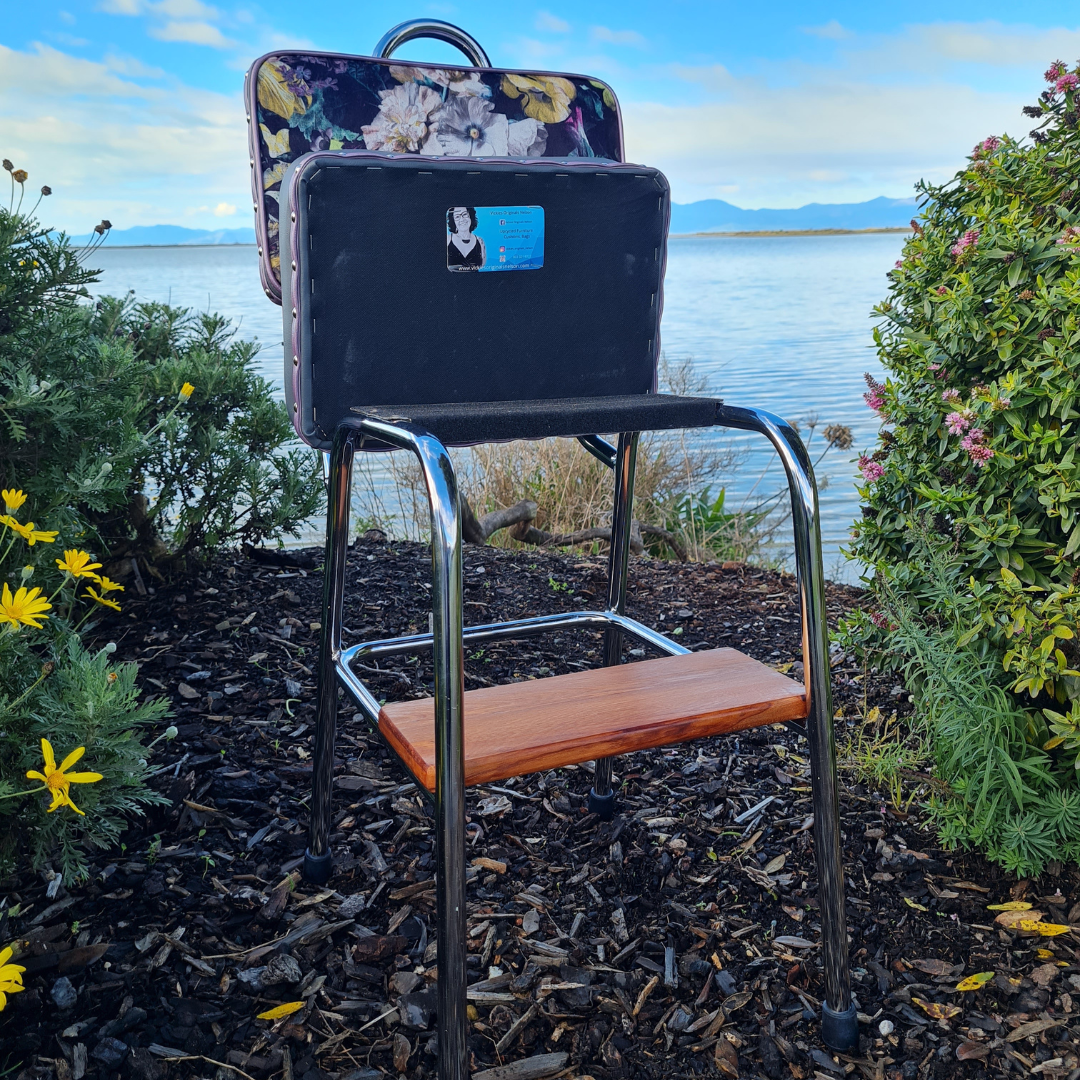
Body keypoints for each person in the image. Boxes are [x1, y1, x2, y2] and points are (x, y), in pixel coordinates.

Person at [446, 206, 485, 271]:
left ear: (470, 216)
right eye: (457, 217)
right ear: (453, 221)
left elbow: (482, 266)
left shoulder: (480, 241)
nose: (462, 219)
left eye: (464, 214)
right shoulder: (447, 240)